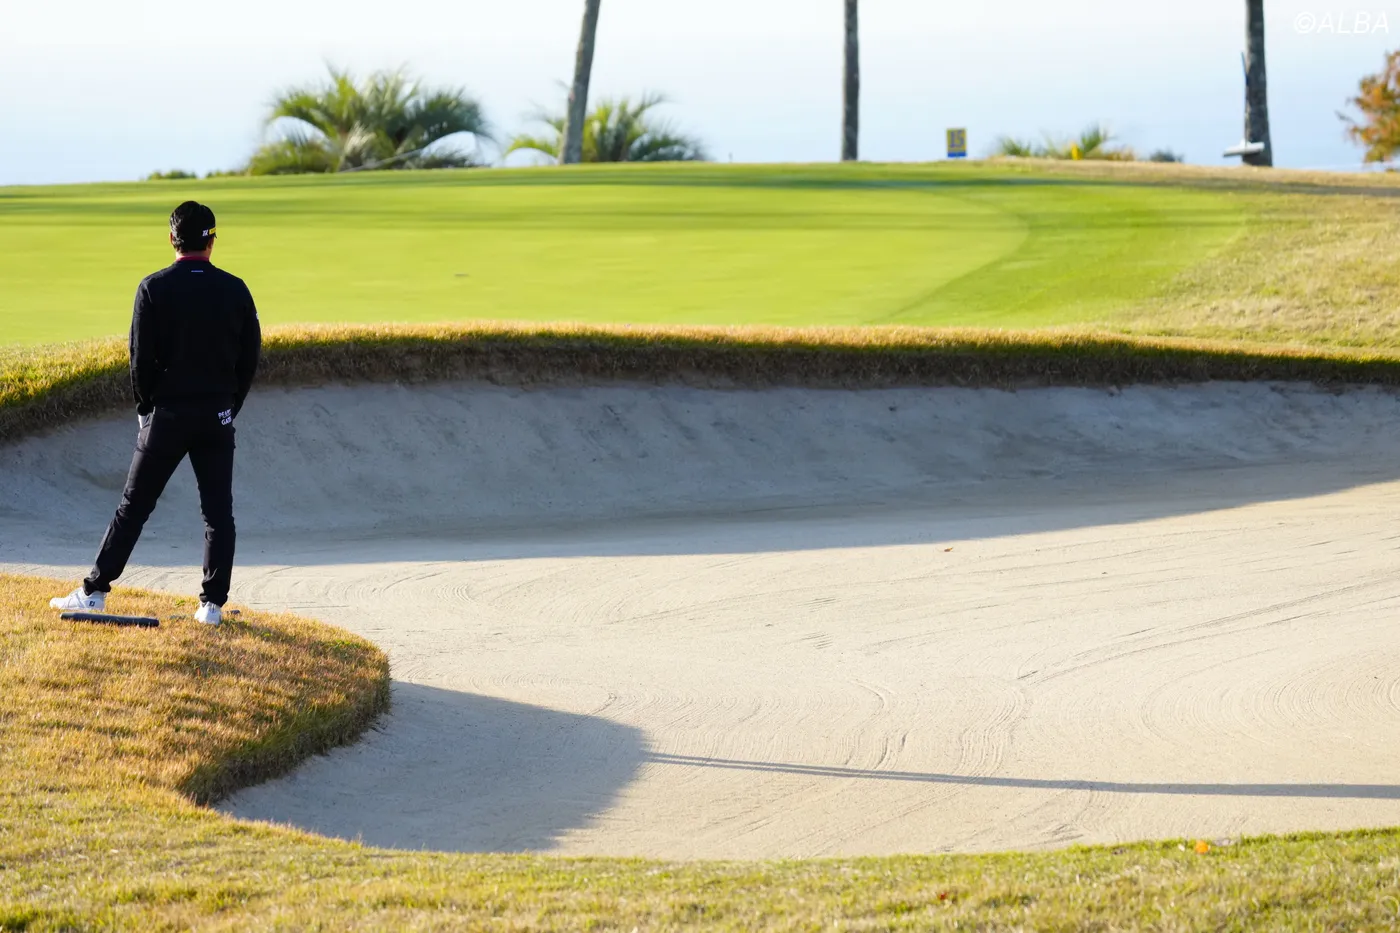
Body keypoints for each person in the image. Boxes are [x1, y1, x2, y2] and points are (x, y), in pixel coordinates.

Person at [51, 201, 261, 626]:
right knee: (218, 513)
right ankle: (211, 606)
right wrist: (229, 405)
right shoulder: (235, 289)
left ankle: (94, 592)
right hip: (216, 416)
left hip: (167, 415)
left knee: (133, 507)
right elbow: (249, 356)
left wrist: (145, 408)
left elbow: (140, 358)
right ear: (212, 241)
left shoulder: (153, 288)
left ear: (171, 239)